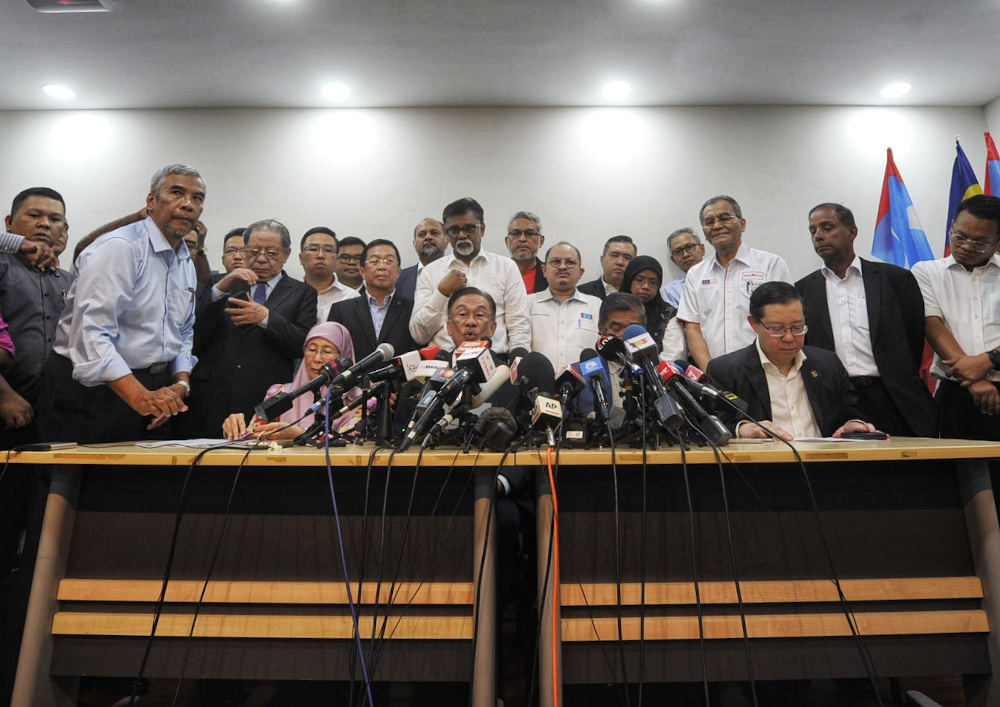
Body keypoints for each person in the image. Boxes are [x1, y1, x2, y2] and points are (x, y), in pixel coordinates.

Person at [38, 164, 203, 443]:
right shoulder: (120, 247)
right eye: (176, 193)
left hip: (154, 386)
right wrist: (140, 396)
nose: (187, 204)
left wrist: (179, 384)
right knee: (78, 483)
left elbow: (183, 331)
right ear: (151, 202)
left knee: (141, 483)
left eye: (197, 198)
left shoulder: (185, 259)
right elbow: (91, 333)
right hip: (93, 388)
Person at [795, 203, 938, 437]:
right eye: (813, 231)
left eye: (827, 227)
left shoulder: (895, 280)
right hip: (835, 399)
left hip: (891, 396)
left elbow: (913, 337)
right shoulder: (803, 289)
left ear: (852, 232)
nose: (819, 236)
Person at [187, 219, 318, 437]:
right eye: (254, 251)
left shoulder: (302, 293)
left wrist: (266, 317)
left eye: (272, 253)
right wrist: (219, 290)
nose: (261, 259)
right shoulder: (219, 283)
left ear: (286, 254)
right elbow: (194, 331)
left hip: (265, 396)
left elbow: (301, 344)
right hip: (212, 395)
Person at [705, 282, 877, 440]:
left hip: (825, 462)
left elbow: (852, 411)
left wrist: (855, 424)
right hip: (764, 466)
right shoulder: (726, 370)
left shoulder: (827, 363)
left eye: (797, 328)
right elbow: (710, 424)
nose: (789, 337)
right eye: (777, 329)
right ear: (754, 324)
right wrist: (742, 429)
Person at [912, 194, 1000, 441]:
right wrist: (972, 380)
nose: (967, 246)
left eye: (981, 242)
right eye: (960, 236)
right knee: (959, 475)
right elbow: (932, 325)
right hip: (957, 394)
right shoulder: (927, 272)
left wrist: (988, 361)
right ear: (951, 226)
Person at [677, 195, 792, 370]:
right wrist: (712, 373)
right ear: (705, 233)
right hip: (715, 373)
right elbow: (692, 328)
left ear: (742, 224)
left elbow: (785, 320)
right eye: (709, 222)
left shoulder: (770, 264)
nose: (717, 226)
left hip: (766, 370)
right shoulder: (696, 274)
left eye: (724, 218)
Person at [410, 197, 531, 355]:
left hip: (496, 364)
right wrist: (441, 293)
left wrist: (517, 366)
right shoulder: (431, 272)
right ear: (447, 234)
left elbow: (519, 326)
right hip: (444, 366)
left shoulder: (506, 267)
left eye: (469, 228)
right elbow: (419, 335)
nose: (462, 235)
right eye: (454, 230)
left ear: (482, 229)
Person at [0, 187, 73, 447]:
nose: (44, 224)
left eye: (54, 219)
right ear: (9, 223)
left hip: (54, 412)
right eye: (34, 215)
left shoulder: (71, 282)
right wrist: (3, 396)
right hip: (7, 402)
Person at [222, 322, 361, 440]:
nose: (317, 358)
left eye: (327, 351)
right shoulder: (280, 393)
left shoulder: (360, 400)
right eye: (311, 349)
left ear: (344, 356)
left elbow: (352, 439)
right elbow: (255, 433)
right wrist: (235, 428)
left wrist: (297, 434)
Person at [327, 238, 417, 360]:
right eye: (374, 260)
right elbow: (332, 353)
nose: (382, 266)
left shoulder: (413, 309)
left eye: (389, 261)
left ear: (398, 272)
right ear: (362, 271)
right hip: (353, 378)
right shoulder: (341, 310)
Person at [527, 242, 600, 370]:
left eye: (570, 262)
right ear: (544, 270)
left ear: (581, 272)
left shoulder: (596, 305)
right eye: (555, 262)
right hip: (539, 385)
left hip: (585, 385)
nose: (562, 267)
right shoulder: (527, 303)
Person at [622, 255, 685, 357]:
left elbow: (673, 355)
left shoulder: (668, 314)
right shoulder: (613, 310)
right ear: (629, 280)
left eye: (652, 282)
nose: (646, 286)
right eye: (639, 280)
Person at [299, 226, 359, 322]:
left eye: (328, 250)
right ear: (301, 258)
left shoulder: (352, 297)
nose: (320, 255)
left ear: (336, 259)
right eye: (314, 249)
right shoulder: (289, 295)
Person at [397, 217, 447, 301]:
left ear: (446, 241)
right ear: (414, 244)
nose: (428, 237)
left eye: (434, 233)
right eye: (422, 234)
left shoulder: (458, 273)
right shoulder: (398, 279)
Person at [578, 235, 636, 300]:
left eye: (627, 257)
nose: (620, 262)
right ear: (602, 260)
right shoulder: (580, 293)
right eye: (614, 255)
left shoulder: (640, 295)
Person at [660, 227, 705, 308]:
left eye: (690, 247)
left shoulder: (722, 276)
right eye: (678, 251)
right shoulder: (670, 291)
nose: (685, 254)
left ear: (702, 249)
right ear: (673, 260)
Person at [506, 210, 548, 294]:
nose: (522, 239)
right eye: (516, 233)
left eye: (529, 233)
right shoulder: (496, 273)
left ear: (541, 241)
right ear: (507, 241)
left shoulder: (551, 275)